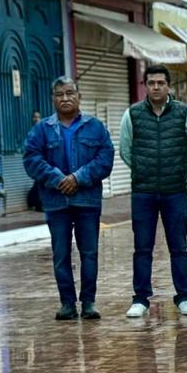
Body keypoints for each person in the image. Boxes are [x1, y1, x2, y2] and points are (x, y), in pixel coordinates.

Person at [23, 77, 114, 321]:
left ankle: (88, 303)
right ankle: (67, 303)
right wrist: (57, 178)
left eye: (70, 93)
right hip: (56, 203)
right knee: (61, 254)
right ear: (53, 99)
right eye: (59, 94)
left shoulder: (95, 127)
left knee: (89, 253)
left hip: (87, 202)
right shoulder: (41, 129)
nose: (65, 98)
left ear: (79, 96)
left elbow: (105, 159)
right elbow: (31, 159)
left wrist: (79, 177)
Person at [119, 64, 187, 320]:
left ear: (169, 86)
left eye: (160, 83)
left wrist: (178, 171)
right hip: (143, 191)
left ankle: (184, 297)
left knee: (179, 246)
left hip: (174, 191)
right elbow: (125, 149)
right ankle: (141, 299)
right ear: (145, 86)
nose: (156, 87)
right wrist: (144, 170)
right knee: (142, 248)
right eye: (151, 83)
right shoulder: (132, 114)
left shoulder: (184, 113)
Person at [25, 111, 44, 212]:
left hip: (43, 161)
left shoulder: (43, 130)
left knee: (39, 184)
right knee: (39, 183)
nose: (36, 119)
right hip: (36, 161)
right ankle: (36, 204)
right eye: (34, 117)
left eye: (38, 117)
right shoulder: (33, 132)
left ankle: (36, 203)